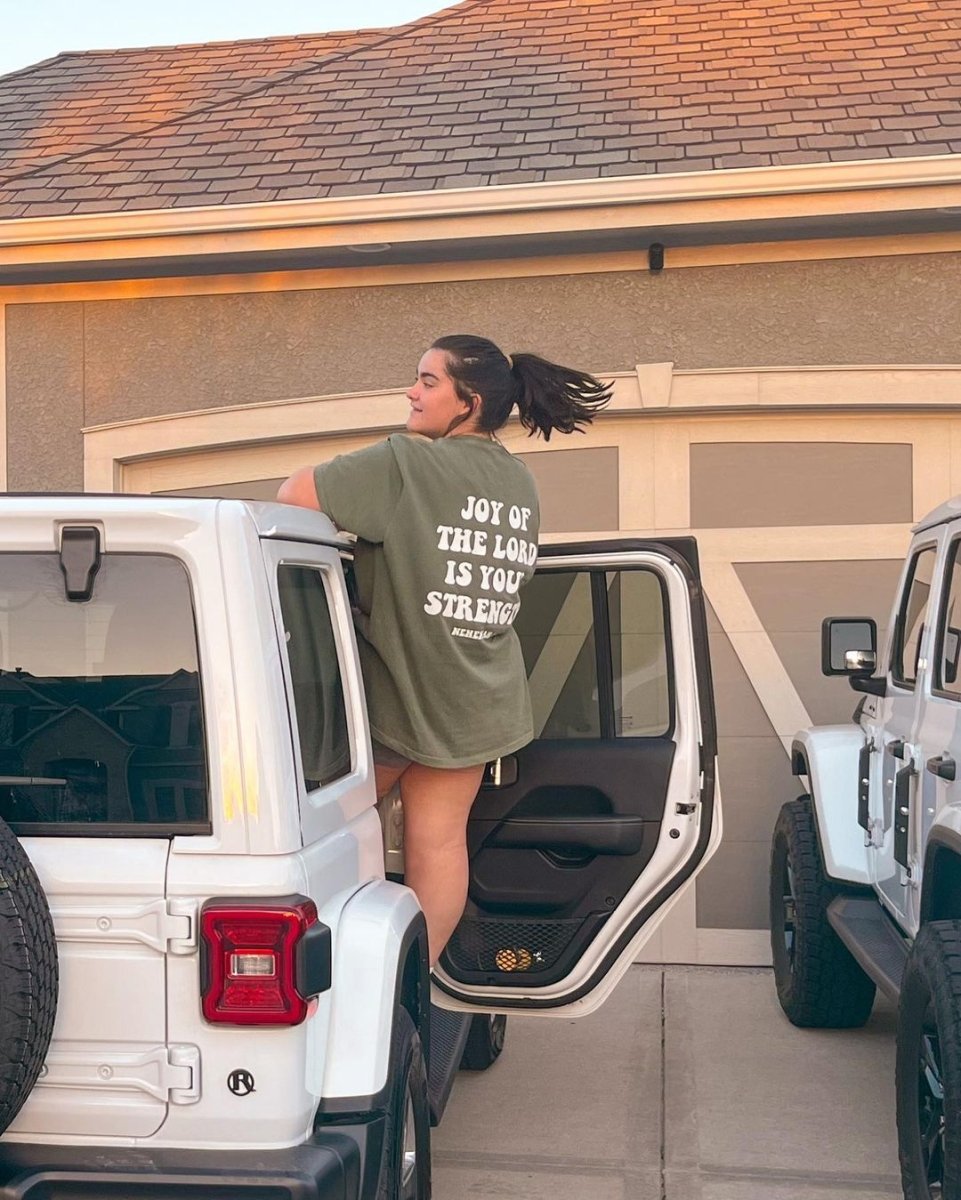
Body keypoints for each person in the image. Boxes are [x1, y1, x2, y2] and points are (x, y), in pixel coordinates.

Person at [277, 334, 611, 965]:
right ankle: (411, 984)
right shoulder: (518, 481)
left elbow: (294, 494)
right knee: (438, 846)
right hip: (474, 699)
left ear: (468, 402)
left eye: (428, 381)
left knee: (321, 838)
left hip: (396, 696)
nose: (412, 392)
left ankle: (332, 983)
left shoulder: (408, 463)